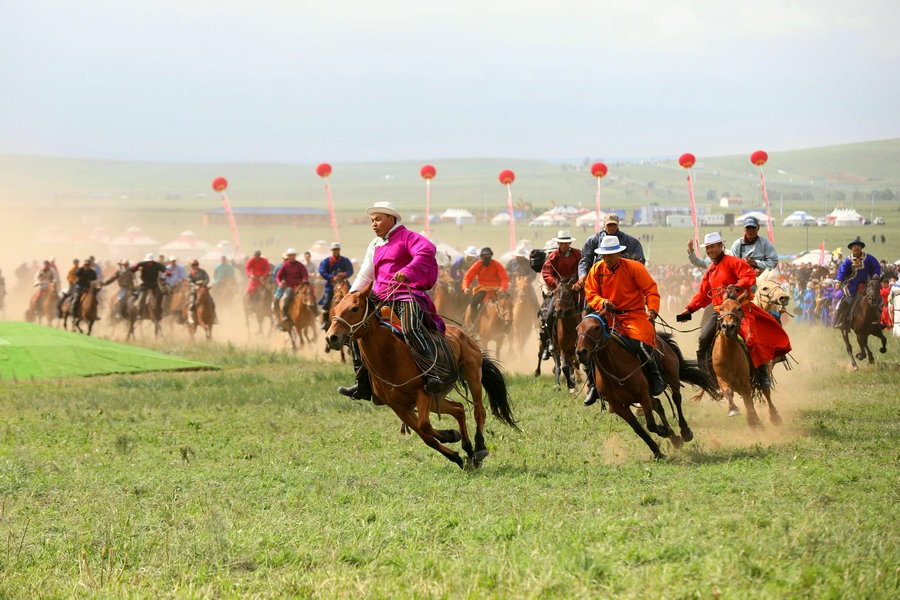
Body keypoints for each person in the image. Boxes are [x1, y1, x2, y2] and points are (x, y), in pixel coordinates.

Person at [339, 201, 446, 400]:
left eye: (378, 219)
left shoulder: (408, 237)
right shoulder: (375, 244)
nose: (374, 223)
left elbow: (426, 250)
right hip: (379, 296)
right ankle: (363, 384)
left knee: (411, 327)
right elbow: (365, 275)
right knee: (355, 329)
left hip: (404, 293)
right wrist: (351, 296)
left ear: (391, 219)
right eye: (372, 220)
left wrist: (407, 271)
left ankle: (433, 375)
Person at [676, 232, 791, 389]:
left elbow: (749, 275)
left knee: (752, 338)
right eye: (707, 248)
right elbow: (703, 295)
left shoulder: (734, 262)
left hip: (741, 309)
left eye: (712, 247)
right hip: (720, 311)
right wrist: (689, 310)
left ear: (721, 246)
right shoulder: (710, 271)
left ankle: (762, 375)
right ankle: (707, 376)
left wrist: (736, 286)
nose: (709, 251)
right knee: (703, 339)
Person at [582, 235, 665, 405]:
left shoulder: (634, 267)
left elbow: (650, 289)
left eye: (610, 255)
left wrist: (652, 309)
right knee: (588, 342)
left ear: (618, 254)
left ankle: (655, 376)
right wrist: (602, 302)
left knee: (642, 343)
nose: (607, 258)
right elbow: (591, 293)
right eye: (604, 255)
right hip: (607, 316)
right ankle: (593, 385)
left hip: (634, 315)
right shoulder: (596, 269)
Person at [541, 230, 582, 359]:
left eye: (566, 242)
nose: (563, 245)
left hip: (577, 291)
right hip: (560, 293)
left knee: (590, 311)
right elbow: (546, 273)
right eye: (561, 243)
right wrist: (556, 284)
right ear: (558, 243)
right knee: (549, 315)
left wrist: (579, 283)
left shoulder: (578, 254)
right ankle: (551, 342)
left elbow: (583, 269)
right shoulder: (552, 257)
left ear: (570, 243)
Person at [578, 213, 646, 284]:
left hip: (623, 279)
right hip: (600, 276)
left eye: (614, 225)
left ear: (618, 225)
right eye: (609, 225)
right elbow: (586, 259)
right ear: (604, 225)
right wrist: (583, 274)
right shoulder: (593, 240)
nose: (612, 227)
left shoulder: (629, 241)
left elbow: (639, 261)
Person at [832, 238, 881, 330]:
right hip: (852, 288)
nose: (856, 248)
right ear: (851, 249)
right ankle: (841, 321)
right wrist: (838, 281)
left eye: (858, 246)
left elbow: (876, 266)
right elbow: (842, 271)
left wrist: (875, 275)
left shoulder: (869, 258)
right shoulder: (848, 260)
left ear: (861, 248)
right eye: (854, 247)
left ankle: (880, 321)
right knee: (843, 304)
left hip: (868, 286)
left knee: (879, 301)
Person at [462, 246, 509, 330]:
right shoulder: (477, 265)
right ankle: (473, 324)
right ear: (481, 257)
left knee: (508, 303)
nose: (486, 259)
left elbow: (504, 278)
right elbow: (468, 276)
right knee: (474, 303)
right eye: (484, 257)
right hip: (483, 288)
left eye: (488, 257)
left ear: (491, 257)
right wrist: (465, 287)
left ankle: (508, 326)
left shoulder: (497, 265)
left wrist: (503, 288)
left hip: (497, 289)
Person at [318, 242, 354, 329]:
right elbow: (322, 271)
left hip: (344, 284)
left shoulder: (345, 260)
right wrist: (331, 277)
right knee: (326, 302)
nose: (335, 251)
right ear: (331, 250)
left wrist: (344, 274)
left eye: (337, 249)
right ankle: (325, 322)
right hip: (330, 286)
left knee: (353, 299)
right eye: (334, 249)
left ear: (339, 250)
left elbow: (350, 270)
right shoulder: (326, 261)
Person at [274, 248, 310, 329]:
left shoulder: (300, 265)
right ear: (288, 256)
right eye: (290, 256)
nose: (291, 257)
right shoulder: (285, 265)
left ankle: (313, 312)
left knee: (309, 296)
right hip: (289, 287)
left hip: (299, 286)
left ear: (295, 256)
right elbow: (278, 276)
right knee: (286, 298)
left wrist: (304, 280)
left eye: (293, 255)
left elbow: (305, 274)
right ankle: (285, 314)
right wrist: (279, 283)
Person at [186, 259, 213, 324]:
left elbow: (207, 278)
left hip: (203, 289)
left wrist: (204, 284)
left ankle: (214, 317)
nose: (195, 266)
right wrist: (195, 286)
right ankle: (190, 317)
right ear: (191, 266)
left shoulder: (202, 271)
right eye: (193, 265)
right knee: (192, 303)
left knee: (212, 302)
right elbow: (189, 281)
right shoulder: (190, 273)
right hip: (194, 290)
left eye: (196, 264)